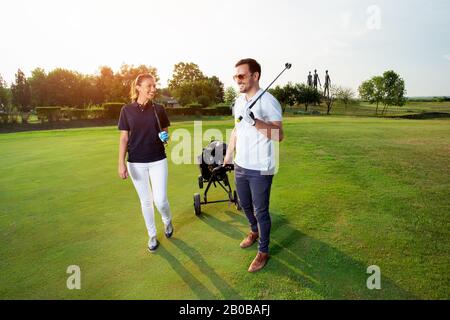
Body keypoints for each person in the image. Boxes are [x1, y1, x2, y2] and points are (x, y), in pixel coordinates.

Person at [224, 58, 284, 273]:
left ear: (255, 76)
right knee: (245, 205)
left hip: (261, 167)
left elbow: (279, 135)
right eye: (235, 76)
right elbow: (236, 130)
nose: (237, 80)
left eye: (241, 75)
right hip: (241, 164)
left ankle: (263, 251)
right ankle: (254, 231)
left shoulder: (269, 102)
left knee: (261, 211)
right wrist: (229, 154)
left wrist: (255, 121)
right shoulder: (239, 101)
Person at [118, 73, 173, 253]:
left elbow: (165, 135)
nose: (153, 89)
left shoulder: (159, 109)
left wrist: (165, 138)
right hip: (136, 162)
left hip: (158, 159)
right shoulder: (126, 110)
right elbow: (124, 138)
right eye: (149, 86)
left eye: (154, 85)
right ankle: (152, 235)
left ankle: (167, 220)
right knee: (146, 202)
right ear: (138, 87)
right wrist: (121, 163)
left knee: (161, 200)